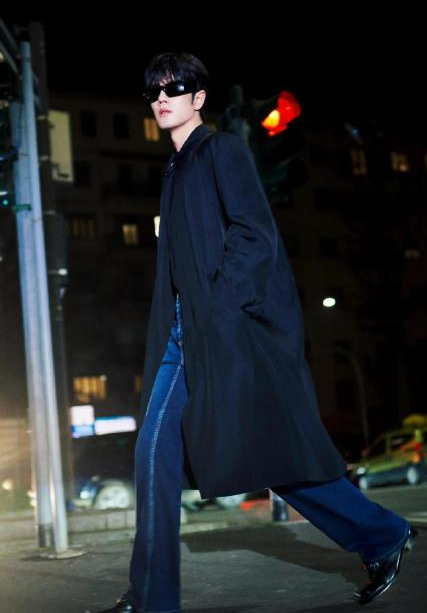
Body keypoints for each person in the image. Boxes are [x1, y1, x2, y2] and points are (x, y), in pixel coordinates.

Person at [98, 53, 414, 613]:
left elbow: (254, 235)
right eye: (154, 91)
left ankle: (381, 534)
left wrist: (219, 309)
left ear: (199, 97)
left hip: (225, 331)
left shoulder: (221, 150)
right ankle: (151, 598)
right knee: (157, 451)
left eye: (175, 87)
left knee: (268, 453)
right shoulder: (173, 172)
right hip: (183, 333)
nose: (162, 97)